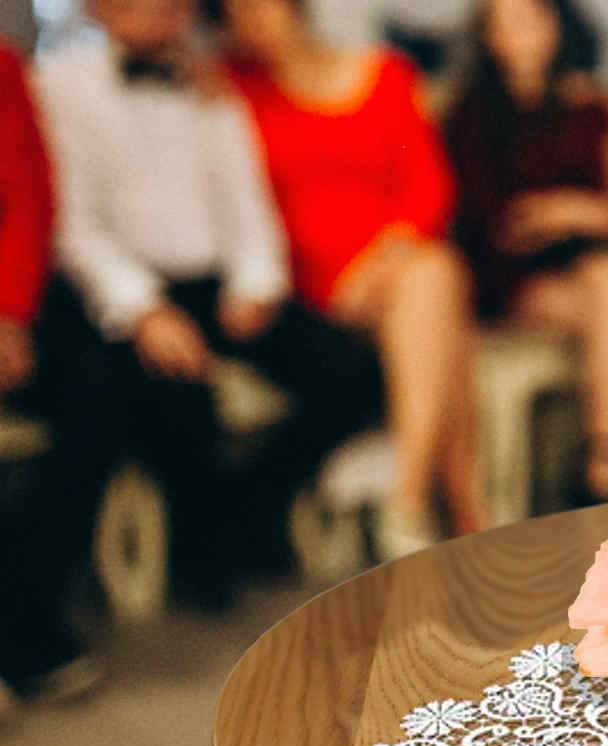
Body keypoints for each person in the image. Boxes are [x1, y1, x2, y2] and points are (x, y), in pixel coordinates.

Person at [35, 0, 383, 606]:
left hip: (217, 284)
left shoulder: (212, 83)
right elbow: (73, 228)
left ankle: (245, 511)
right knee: (174, 390)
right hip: (127, 287)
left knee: (353, 373)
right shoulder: (58, 85)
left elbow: (245, 200)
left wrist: (253, 282)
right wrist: (143, 308)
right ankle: (203, 554)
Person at [212, 0, 489, 554]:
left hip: (393, 263)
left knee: (433, 279)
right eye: (233, 12)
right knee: (442, 293)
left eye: (258, 7)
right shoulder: (228, 88)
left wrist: (388, 255)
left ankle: (409, 500)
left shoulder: (384, 74)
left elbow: (429, 185)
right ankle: (460, 512)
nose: (248, 22)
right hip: (310, 280)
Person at [446, 0, 608, 502]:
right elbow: (495, 222)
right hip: (507, 277)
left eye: (532, 20)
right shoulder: (470, 114)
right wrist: (568, 214)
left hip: (583, 266)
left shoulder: (588, 107)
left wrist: (569, 211)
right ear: (489, 39)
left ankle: (601, 462)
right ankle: (603, 473)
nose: (524, 36)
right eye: (507, 24)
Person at [0, 39, 106, 719]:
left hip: (15, 299)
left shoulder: (4, 67)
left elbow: (27, 194)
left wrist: (8, 312)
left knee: (103, 387)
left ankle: (25, 613)